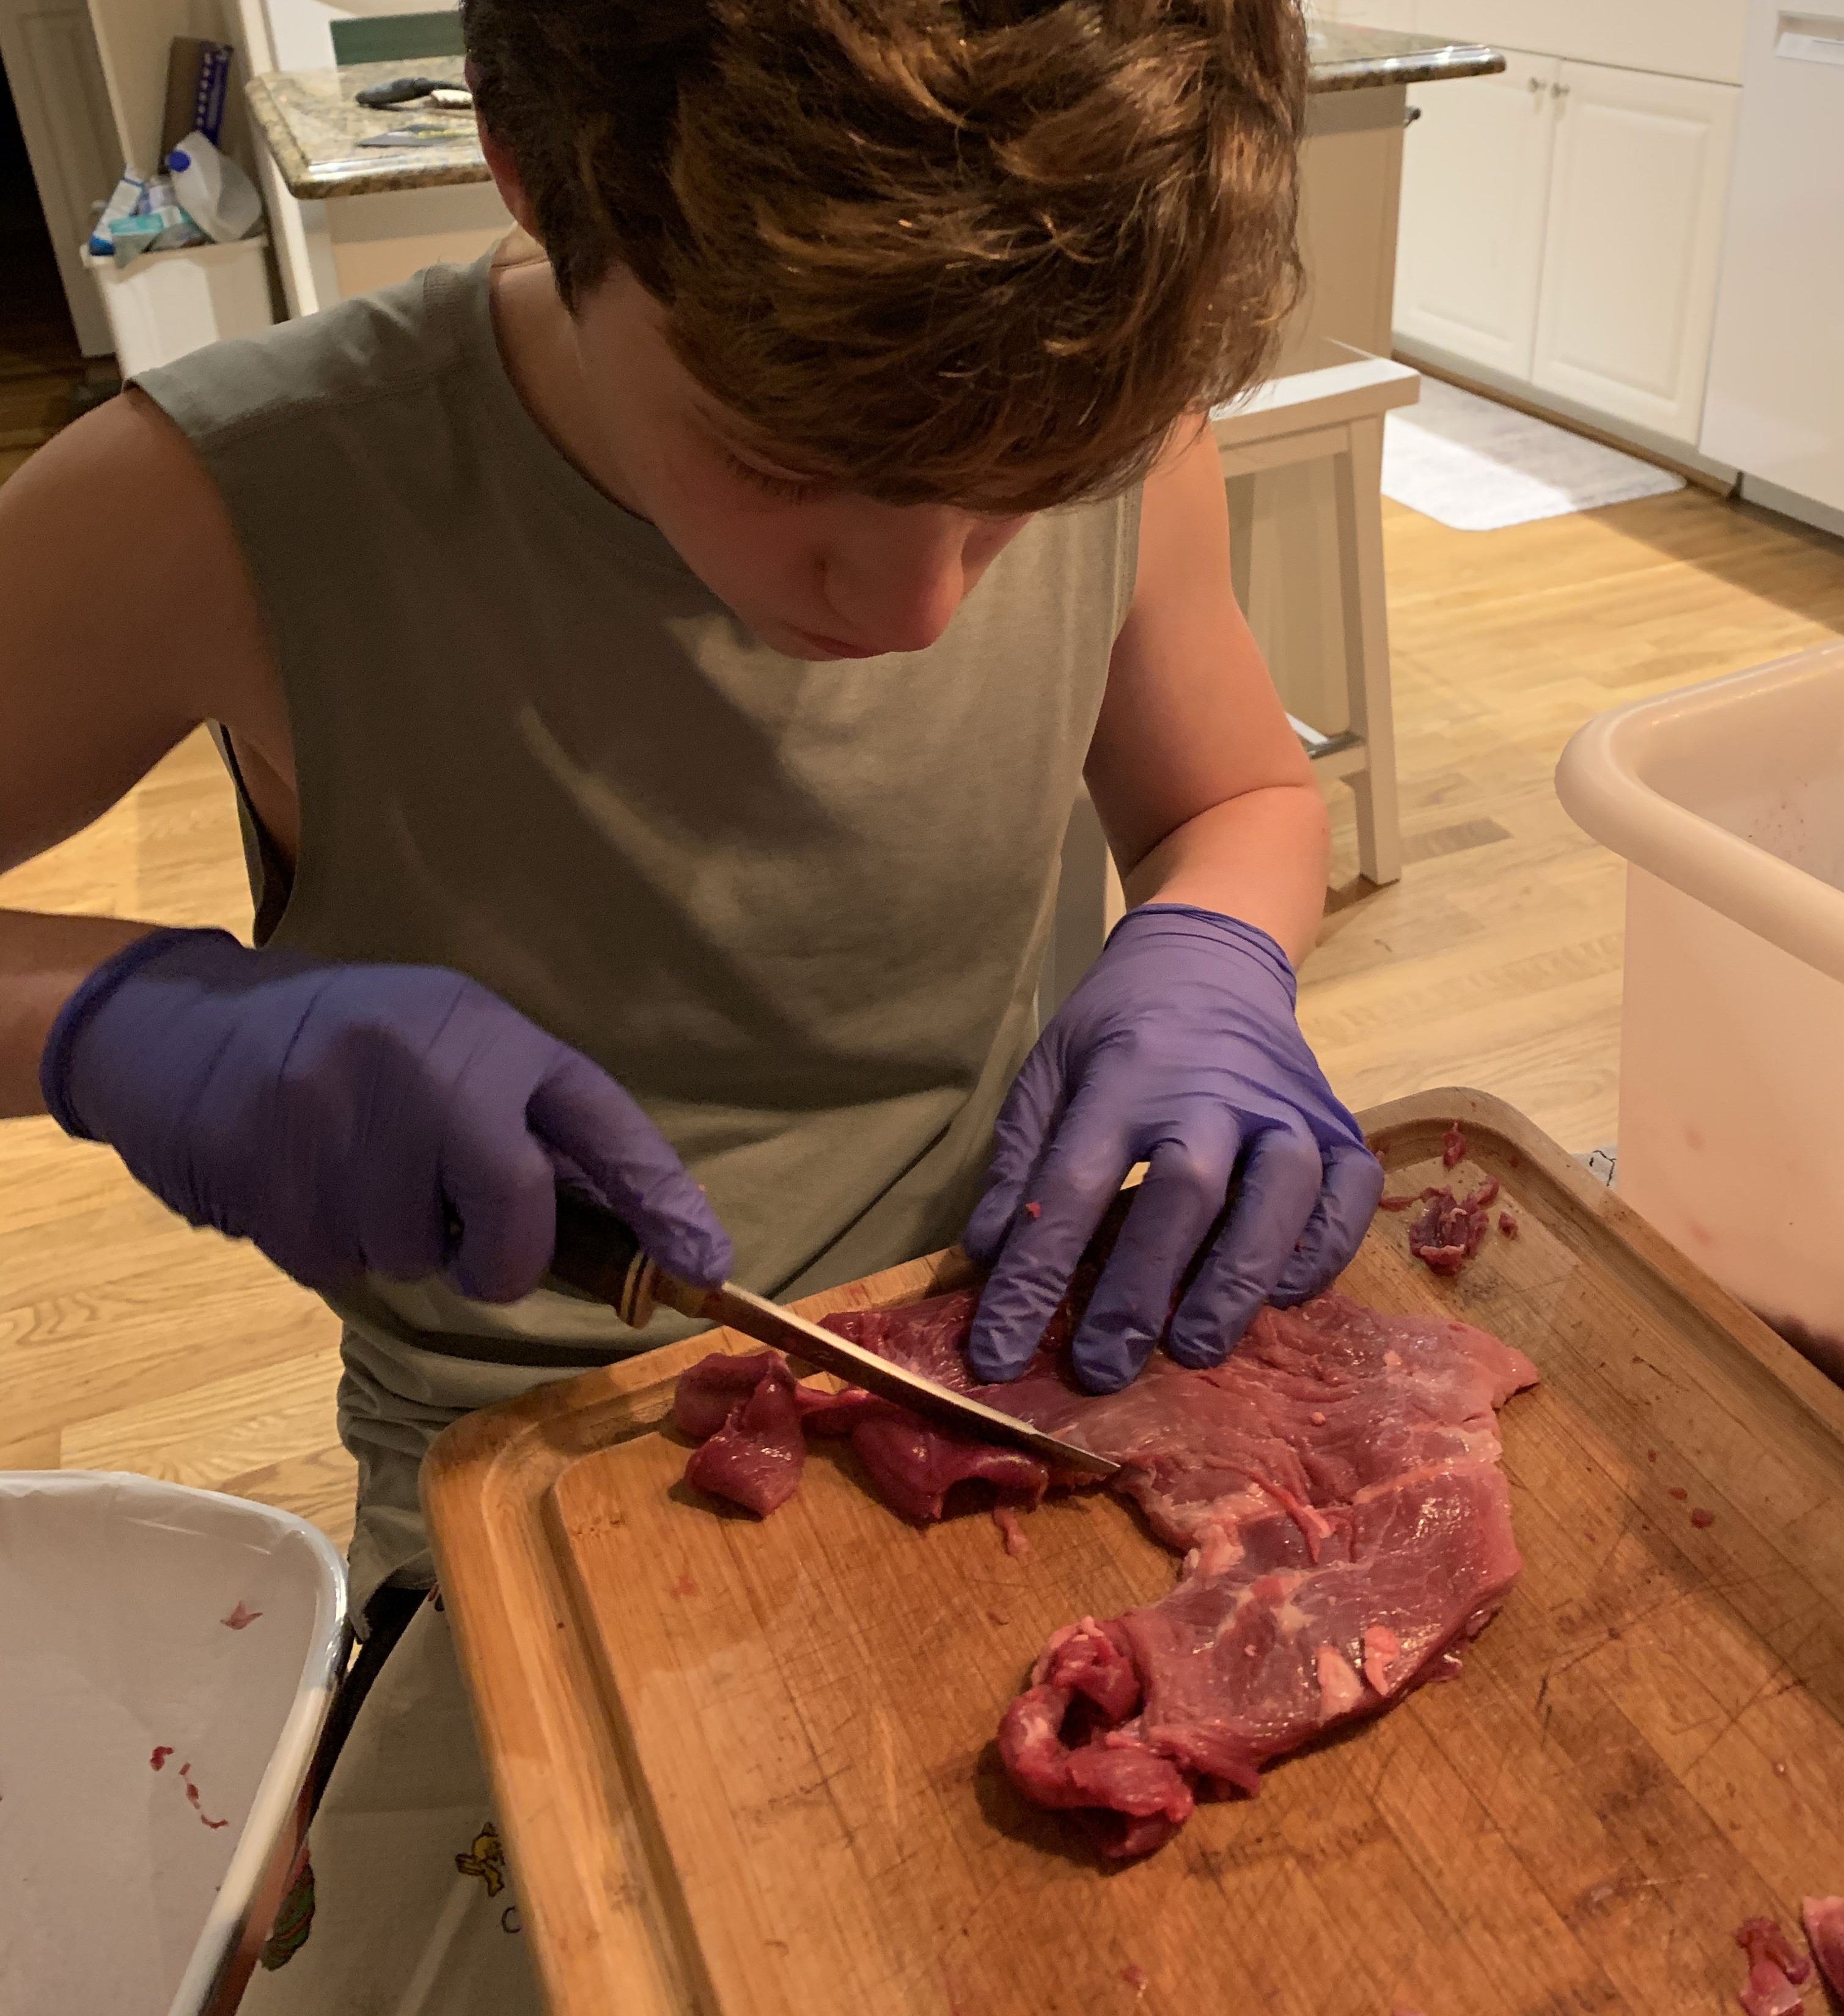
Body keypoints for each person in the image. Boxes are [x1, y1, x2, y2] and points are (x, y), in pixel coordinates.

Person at [0, 0, 1380, 2003]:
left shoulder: (1095, 394)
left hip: (1005, 1380)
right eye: (782, 459)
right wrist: (121, 1020)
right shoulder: (244, 495)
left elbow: (1235, 791)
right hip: (532, 1482)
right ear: (531, 160)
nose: (919, 602)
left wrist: (1215, 942)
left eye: (1016, 502)